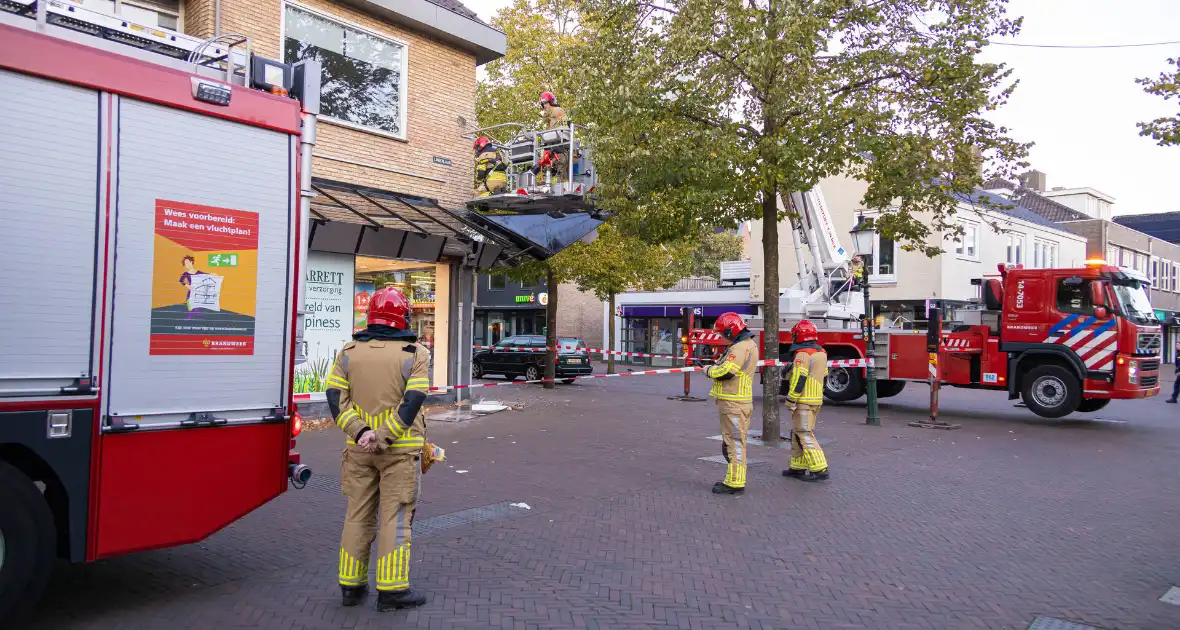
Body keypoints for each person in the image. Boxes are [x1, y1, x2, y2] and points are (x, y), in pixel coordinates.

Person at [325, 286, 433, 611]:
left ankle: (351, 586)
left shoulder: (348, 352)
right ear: (402, 316)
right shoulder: (415, 353)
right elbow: (413, 400)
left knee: (356, 515)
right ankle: (392, 591)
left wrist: (361, 433)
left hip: (357, 452)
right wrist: (383, 435)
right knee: (395, 518)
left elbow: (334, 398)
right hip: (398, 452)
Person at [704, 312, 757, 495]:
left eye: (723, 334)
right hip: (737, 401)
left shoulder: (740, 348)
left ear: (730, 330)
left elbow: (727, 371)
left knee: (734, 443)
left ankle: (735, 482)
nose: (722, 338)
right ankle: (733, 478)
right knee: (733, 442)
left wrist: (709, 370)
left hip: (734, 402)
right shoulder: (747, 344)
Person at [782, 320, 830, 482]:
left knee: (804, 433)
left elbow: (799, 379)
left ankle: (819, 468)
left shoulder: (802, 354)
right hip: (816, 399)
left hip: (803, 400)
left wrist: (791, 399)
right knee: (797, 432)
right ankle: (798, 467)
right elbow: (824, 375)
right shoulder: (822, 352)